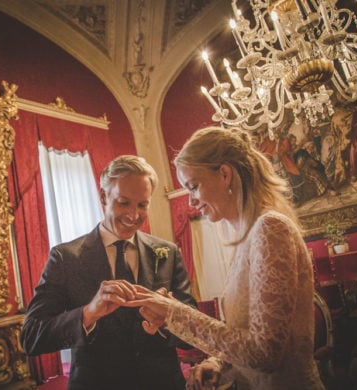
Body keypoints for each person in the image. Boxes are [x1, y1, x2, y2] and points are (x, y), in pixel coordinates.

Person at [124, 127, 325, 389]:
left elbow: (266, 354)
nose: (191, 201)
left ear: (225, 174)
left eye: (194, 186)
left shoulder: (270, 228)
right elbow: (244, 335)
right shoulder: (249, 235)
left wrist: (175, 312)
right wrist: (218, 362)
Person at [20, 155, 196, 390]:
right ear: (103, 196)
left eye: (142, 205)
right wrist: (88, 314)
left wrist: (168, 317)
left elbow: (193, 331)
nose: (134, 215)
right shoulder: (65, 257)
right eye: (123, 203)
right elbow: (31, 337)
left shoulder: (168, 252)